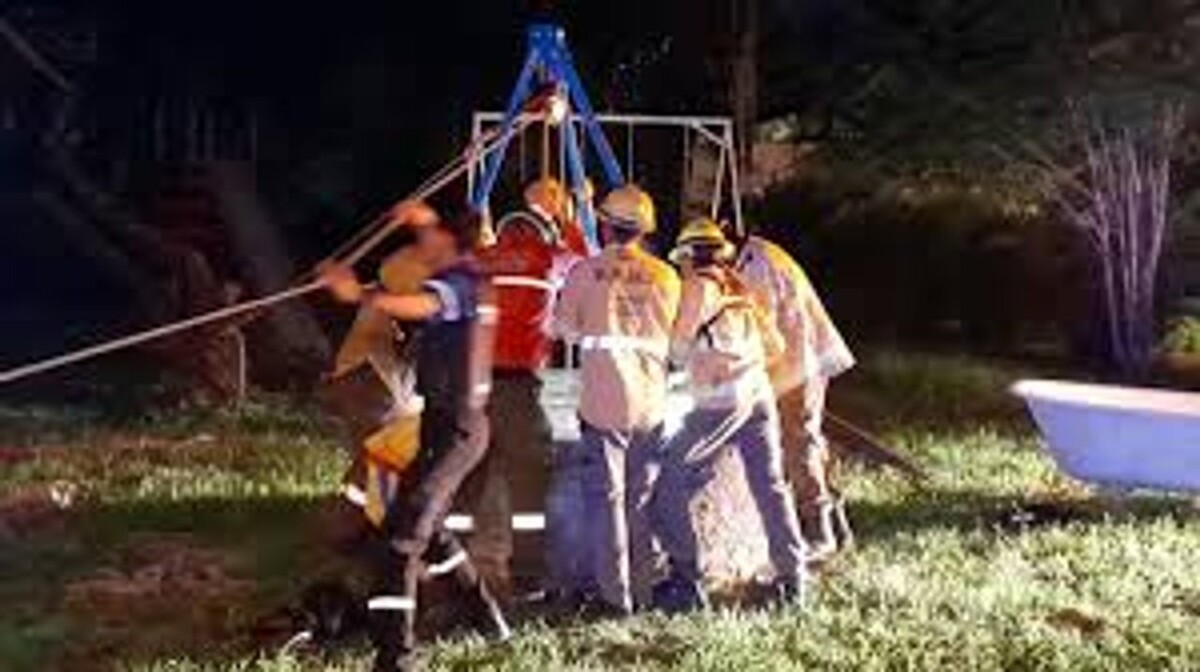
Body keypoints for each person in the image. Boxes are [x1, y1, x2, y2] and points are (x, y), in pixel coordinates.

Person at [321, 201, 509, 672]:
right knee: (434, 530)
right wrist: (421, 216)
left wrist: (358, 295)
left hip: (459, 431)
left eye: (429, 238)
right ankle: (487, 620)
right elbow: (433, 252)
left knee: (401, 541)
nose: (421, 249)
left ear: (448, 241)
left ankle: (396, 658)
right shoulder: (462, 270)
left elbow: (423, 304)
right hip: (444, 425)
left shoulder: (461, 283)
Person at [651, 218, 808, 613]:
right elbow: (774, 346)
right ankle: (793, 578)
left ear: (687, 256)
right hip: (758, 397)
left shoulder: (697, 287)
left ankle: (686, 580)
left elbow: (677, 351)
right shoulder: (739, 287)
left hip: (721, 399)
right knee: (770, 486)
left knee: (669, 475)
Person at [550, 184, 680, 615]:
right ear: (644, 230)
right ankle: (644, 591)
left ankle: (614, 597)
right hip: (651, 402)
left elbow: (562, 330)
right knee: (641, 498)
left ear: (604, 225)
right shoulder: (667, 275)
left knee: (608, 501)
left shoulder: (584, 272)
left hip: (602, 402)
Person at [466, 178, 575, 597]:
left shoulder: (481, 257)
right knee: (529, 479)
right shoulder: (549, 257)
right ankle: (528, 577)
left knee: (470, 477)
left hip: (473, 388)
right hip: (517, 389)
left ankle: (454, 568)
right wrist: (569, 213)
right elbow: (590, 262)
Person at [733, 229, 856, 561]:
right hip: (796, 352)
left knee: (797, 439)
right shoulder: (755, 255)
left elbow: (763, 336)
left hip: (803, 358)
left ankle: (819, 532)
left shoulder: (757, 269)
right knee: (803, 440)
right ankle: (837, 528)